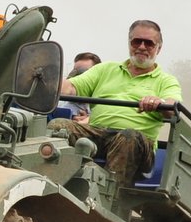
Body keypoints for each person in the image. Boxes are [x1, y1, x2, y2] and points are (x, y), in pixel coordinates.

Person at [48, 22, 181, 187]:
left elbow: (173, 106)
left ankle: (110, 195)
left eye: (149, 43)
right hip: (96, 133)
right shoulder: (106, 69)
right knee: (57, 126)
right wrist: (46, 81)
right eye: (136, 41)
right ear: (129, 43)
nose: (142, 46)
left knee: (128, 136)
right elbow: (71, 87)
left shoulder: (166, 80)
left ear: (158, 48)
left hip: (137, 145)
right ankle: (50, 184)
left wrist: (159, 102)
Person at [51, 52, 102, 121]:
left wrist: (89, 120)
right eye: (75, 71)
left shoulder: (103, 102)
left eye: (84, 72)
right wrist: (69, 116)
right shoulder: (60, 101)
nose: (77, 77)